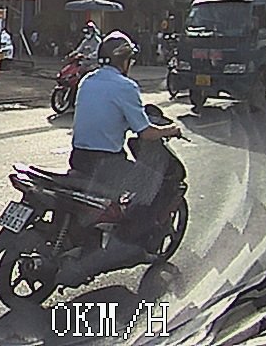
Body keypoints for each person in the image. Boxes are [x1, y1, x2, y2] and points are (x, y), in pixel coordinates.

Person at [70, 30, 182, 265]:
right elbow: (146, 132)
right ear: (122, 60)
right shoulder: (125, 87)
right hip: (106, 165)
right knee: (153, 184)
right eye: (130, 59)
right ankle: (131, 244)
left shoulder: (87, 80)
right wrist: (170, 130)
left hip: (78, 159)